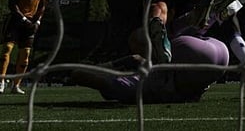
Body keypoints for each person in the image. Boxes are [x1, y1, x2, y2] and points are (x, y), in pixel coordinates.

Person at [71, 34, 229, 104]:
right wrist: (105, 67)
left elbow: (79, 75)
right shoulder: (134, 83)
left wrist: (102, 69)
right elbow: (135, 58)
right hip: (210, 53)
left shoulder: (133, 86)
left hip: (216, 61)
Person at [0, 0, 47, 95]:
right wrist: (23, 19)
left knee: (26, 54)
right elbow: (12, 5)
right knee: (7, 49)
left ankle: (16, 85)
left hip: (30, 23)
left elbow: (41, 7)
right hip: (15, 21)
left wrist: (38, 22)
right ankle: (1, 82)